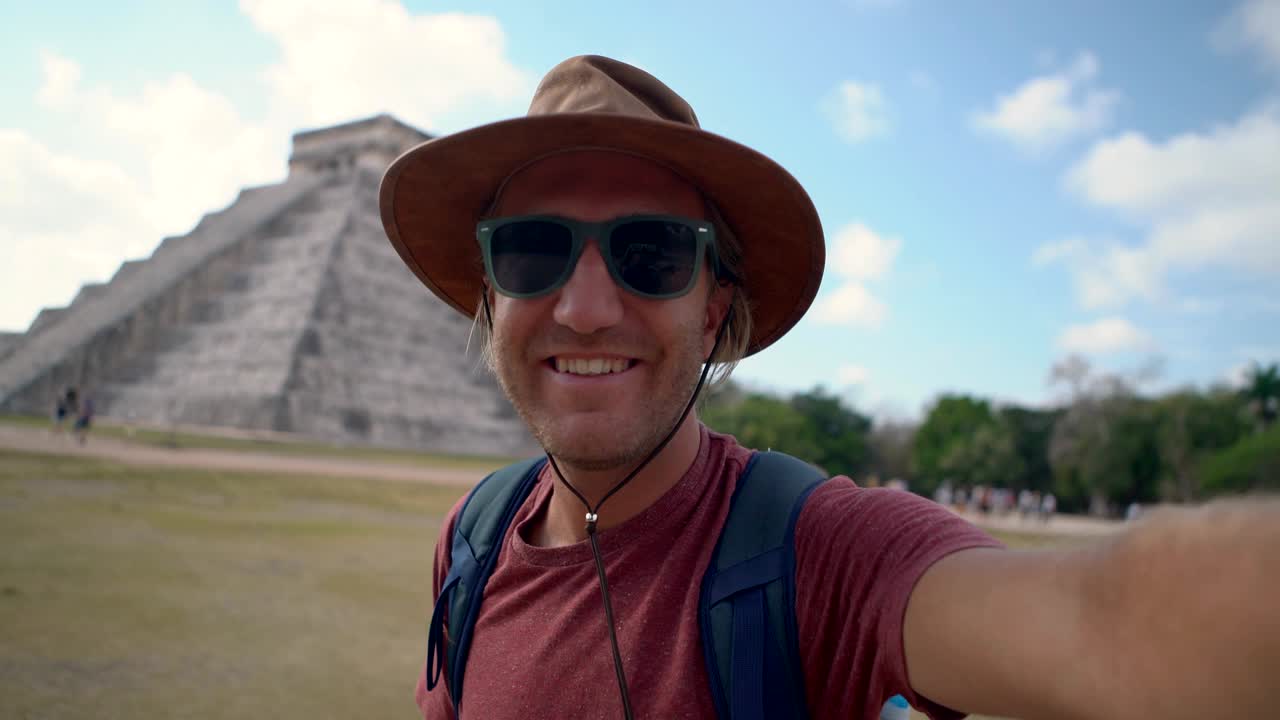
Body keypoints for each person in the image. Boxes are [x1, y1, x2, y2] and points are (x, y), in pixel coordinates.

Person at [380, 55, 1280, 720]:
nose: (581, 309)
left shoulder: (820, 560)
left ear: (715, 303)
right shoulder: (472, 542)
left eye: (650, 253)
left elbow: (1109, 622)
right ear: (491, 292)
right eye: (531, 249)